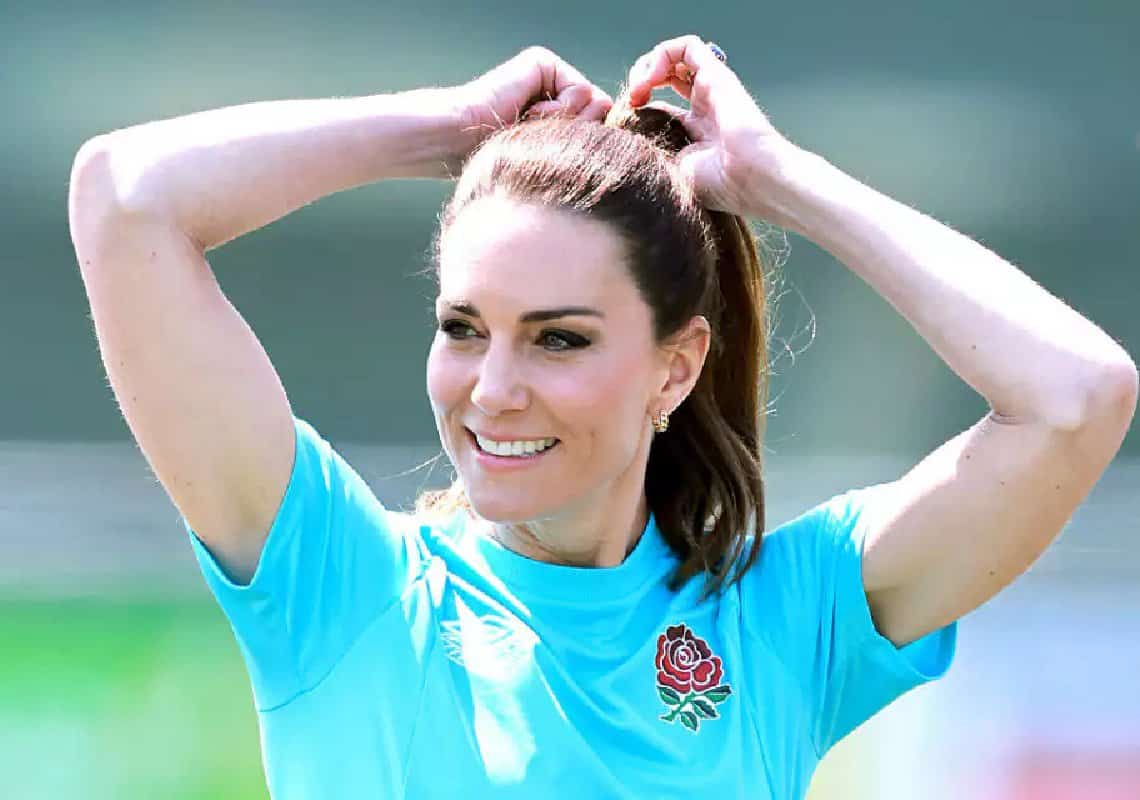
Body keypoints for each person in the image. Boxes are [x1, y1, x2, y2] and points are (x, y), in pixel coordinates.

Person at [67, 35, 1136, 799]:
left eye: (559, 338)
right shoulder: (339, 586)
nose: (493, 388)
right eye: (463, 327)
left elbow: (1076, 396)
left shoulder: (780, 622)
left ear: (676, 369)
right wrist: (450, 129)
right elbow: (123, 198)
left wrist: (778, 179)